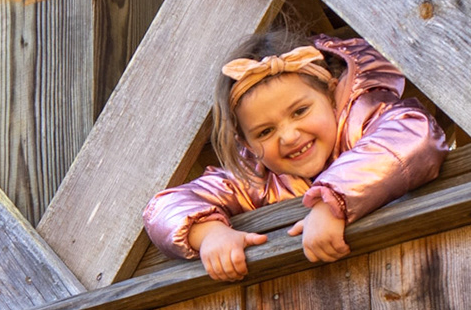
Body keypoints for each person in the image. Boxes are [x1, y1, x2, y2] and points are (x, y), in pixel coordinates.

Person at [143, 31, 449, 281]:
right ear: (246, 143)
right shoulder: (258, 178)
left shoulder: (362, 119)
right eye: (264, 132)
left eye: (300, 111)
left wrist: (331, 202)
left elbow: (416, 135)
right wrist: (209, 234)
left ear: (330, 93)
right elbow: (162, 208)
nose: (288, 136)